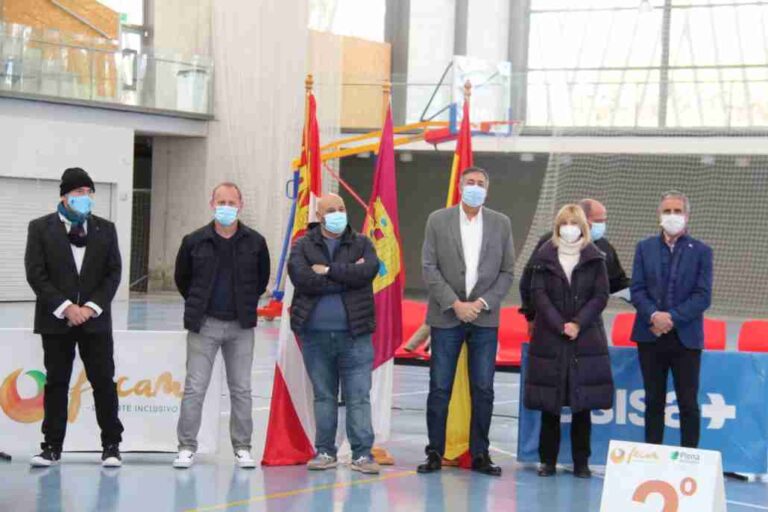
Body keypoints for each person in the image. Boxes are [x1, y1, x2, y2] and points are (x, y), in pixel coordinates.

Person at [418, 167, 515, 477]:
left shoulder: (501, 223)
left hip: (485, 318)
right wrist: (455, 304)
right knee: (439, 387)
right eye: (470, 182)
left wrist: (482, 303)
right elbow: (429, 266)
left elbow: (507, 272)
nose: (475, 187)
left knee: (483, 388)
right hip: (447, 316)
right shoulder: (438, 219)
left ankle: (480, 454)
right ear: (460, 186)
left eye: (481, 184)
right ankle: (435, 451)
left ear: (488, 189)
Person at [25, 167, 124, 467]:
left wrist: (91, 308)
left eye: (88, 193)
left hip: (95, 322)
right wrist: (66, 307)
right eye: (79, 192)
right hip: (56, 321)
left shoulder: (105, 229)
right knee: (56, 382)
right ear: (64, 196)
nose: (85, 198)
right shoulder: (40, 228)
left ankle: (111, 445)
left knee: (103, 381)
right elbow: (36, 273)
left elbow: (113, 273)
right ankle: (52, 446)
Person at [173, 182, 270, 469]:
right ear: (211, 204)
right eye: (221, 201)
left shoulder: (256, 242)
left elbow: (261, 280)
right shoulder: (194, 241)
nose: (226, 207)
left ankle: (242, 447)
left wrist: (243, 305)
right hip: (204, 325)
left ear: (241, 205)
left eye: (232, 202)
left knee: (241, 389)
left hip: (241, 327)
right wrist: (200, 306)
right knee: (194, 388)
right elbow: (183, 280)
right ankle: (186, 446)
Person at [287, 193, 381, 475]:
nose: (338, 213)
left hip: (356, 336)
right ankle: (325, 451)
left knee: (358, 396)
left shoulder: (363, 242)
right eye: (331, 209)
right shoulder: (302, 245)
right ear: (319, 214)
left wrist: (327, 271)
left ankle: (362, 454)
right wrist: (345, 277)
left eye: (341, 208)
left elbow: (368, 272)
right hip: (315, 336)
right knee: (324, 396)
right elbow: (302, 279)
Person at [523, 205, 614, 479]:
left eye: (575, 222)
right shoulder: (543, 257)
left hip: (585, 338)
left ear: (583, 226)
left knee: (582, 404)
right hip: (550, 337)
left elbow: (600, 296)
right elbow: (537, 293)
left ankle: (581, 462)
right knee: (550, 403)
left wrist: (577, 323)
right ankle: (547, 461)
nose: (569, 226)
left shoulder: (596, 257)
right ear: (557, 225)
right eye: (565, 222)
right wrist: (558, 323)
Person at [630, 190, 712, 448]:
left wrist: (672, 318)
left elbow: (703, 295)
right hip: (650, 336)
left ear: (687, 216)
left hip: (686, 340)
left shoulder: (701, 251)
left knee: (688, 402)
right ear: (659, 215)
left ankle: (689, 458)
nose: (672, 216)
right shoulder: (644, 248)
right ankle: (653, 456)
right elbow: (637, 289)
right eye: (668, 211)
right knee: (653, 401)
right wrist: (654, 315)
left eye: (678, 211)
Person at [520, 199, 629, 337]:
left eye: (603, 221)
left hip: (587, 325)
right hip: (549, 324)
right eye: (598, 221)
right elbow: (530, 281)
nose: (601, 225)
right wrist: (530, 316)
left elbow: (615, 284)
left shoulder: (603, 248)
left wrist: (643, 295)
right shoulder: (548, 245)